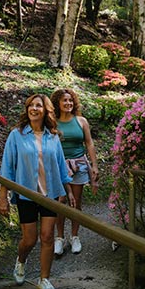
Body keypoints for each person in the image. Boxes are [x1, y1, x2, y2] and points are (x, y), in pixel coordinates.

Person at [0, 93, 75, 289]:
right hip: (26, 195)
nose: (34, 109)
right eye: (31, 105)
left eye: (38, 106)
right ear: (27, 110)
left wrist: (68, 191)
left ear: (45, 110)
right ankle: (21, 260)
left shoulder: (53, 137)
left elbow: (60, 167)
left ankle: (44, 280)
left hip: (50, 194)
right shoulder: (17, 135)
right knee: (29, 240)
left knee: (48, 237)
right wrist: (3, 197)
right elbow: (7, 167)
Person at [50, 88, 99, 255]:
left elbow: (89, 143)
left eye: (70, 100)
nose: (68, 103)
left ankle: (75, 236)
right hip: (58, 166)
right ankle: (59, 238)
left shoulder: (81, 121)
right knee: (60, 202)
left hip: (79, 165)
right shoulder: (52, 122)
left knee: (76, 202)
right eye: (64, 100)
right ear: (58, 102)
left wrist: (94, 165)